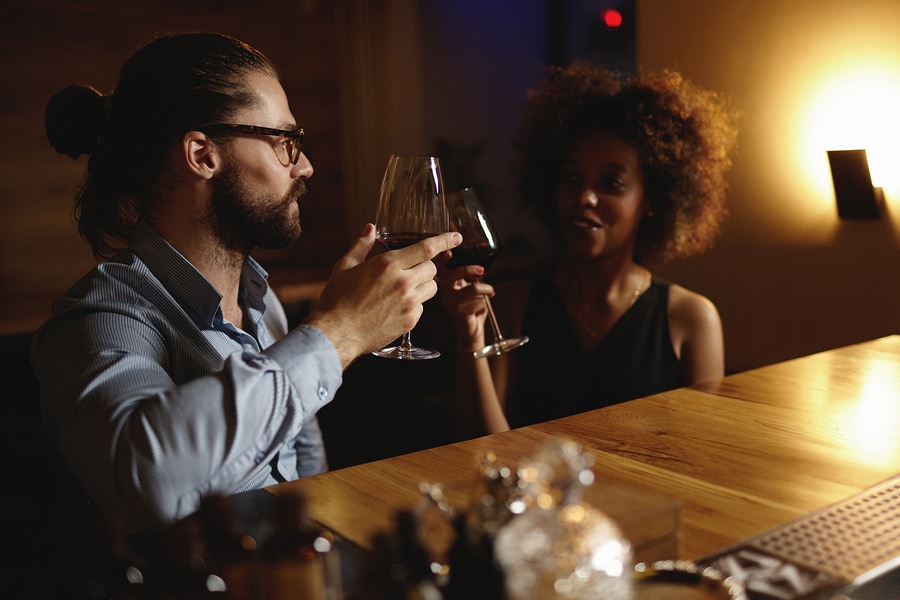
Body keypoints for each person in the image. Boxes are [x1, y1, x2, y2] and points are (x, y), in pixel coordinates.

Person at [33, 31, 461, 534]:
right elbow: (148, 480)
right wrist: (339, 333)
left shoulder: (263, 303)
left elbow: (305, 469)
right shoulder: (99, 318)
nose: (305, 165)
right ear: (201, 154)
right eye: (284, 142)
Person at [439, 62, 739, 436]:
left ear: (652, 199)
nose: (583, 197)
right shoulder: (511, 306)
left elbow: (703, 452)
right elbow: (482, 451)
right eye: (571, 178)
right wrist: (469, 339)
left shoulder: (690, 319)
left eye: (611, 183)